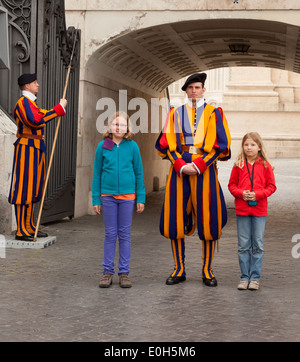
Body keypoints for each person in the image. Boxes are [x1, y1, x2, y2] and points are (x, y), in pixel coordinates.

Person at [155, 73, 231, 287]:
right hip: (179, 170)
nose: (194, 91)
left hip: (205, 170)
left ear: (203, 90)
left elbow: (221, 146)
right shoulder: (175, 114)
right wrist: (180, 164)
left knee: (209, 220)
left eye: (198, 87)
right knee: (175, 220)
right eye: (191, 88)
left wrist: (199, 165)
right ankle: (179, 268)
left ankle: (207, 270)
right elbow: (165, 145)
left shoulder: (214, 113)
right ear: (186, 91)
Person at [8, 73, 67, 241]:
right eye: (35, 82)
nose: (38, 85)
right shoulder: (23, 103)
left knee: (33, 188)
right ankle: (21, 230)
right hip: (26, 148)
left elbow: (42, 114)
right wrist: (58, 109)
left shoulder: (30, 103)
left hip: (35, 148)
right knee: (24, 189)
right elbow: (35, 120)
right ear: (27, 86)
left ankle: (29, 226)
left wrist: (58, 110)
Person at [92, 111, 145, 289]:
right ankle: (107, 272)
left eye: (122, 125)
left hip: (127, 197)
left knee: (124, 234)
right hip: (107, 196)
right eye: (115, 124)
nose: (119, 128)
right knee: (109, 233)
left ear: (127, 128)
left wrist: (141, 197)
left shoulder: (133, 147)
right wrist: (96, 198)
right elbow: (97, 173)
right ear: (109, 126)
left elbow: (139, 173)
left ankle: (124, 272)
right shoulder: (102, 146)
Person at [228, 132, 277, 291]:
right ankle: (244, 277)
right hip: (242, 210)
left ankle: (254, 278)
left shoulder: (265, 166)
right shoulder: (238, 165)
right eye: (246, 144)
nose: (249, 147)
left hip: (259, 210)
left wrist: (258, 194)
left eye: (252, 145)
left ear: (259, 147)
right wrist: (241, 193)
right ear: (242, 146)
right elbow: (231, 185)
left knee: (258, 245)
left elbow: (271, 187)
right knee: (243, 245)